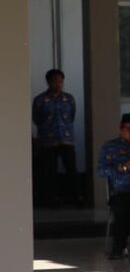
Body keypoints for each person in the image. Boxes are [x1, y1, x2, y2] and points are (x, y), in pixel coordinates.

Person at [98, 114, 130, 259]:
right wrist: (123, 167)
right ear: (121, 129)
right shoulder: (110, 147)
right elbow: (102, 170)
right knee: (122, 208)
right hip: (122, 191)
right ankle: (119, 248)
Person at [32, 68, 79, 206]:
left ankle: (75, 198)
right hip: (48, 140)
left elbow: (72, 116)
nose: (58, 84)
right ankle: (51, 200)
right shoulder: (40, 100)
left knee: (71, 168)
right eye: (55, 81)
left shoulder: (69, 99)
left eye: (60, 81)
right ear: (48, 82)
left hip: (66, 139)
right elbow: (37, 118)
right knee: (50, 171)